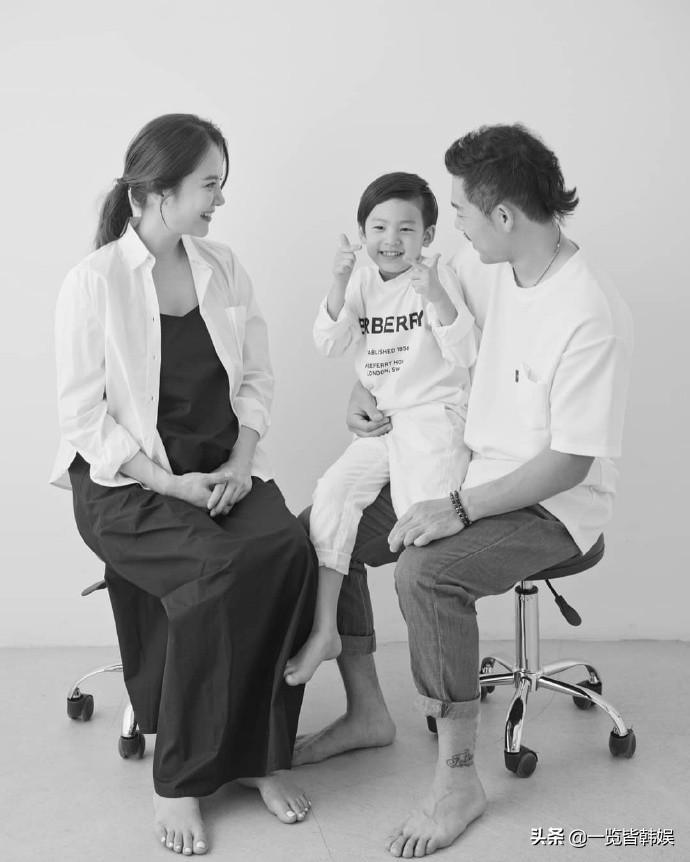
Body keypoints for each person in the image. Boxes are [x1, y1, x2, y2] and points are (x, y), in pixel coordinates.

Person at [293, 124, 633, 858]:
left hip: (549, 505)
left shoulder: (588, 313)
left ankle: (457, 782)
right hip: (460, 468)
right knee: (319, 529)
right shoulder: (482, 266)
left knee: (426, 571)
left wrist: (456, 508)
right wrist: (363, 387)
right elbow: (411, 340)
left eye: (462, 212)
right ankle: (366, 714)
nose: (455, 227)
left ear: (503, 215)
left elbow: (569, 464)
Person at [50, 113, 317, 856]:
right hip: (126, 483)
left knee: (286, 551)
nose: (219, 200)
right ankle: (180, 780)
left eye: (221, 185)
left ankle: (259, 755)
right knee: (215, 570)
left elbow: (257, 378)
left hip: (221, 466)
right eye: (209, 185)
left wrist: (240, 464)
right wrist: (172, 486)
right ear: (159, 191)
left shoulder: (222, 267)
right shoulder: (94, 281)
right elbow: (83, 417)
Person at [284, 172, 477, 686]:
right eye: (378, 228)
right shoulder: (362, 281)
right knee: (331, 495)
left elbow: (465, 353)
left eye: (406, 229)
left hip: (433, 420)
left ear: (428, 235)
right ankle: (325, 628)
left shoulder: (437, 277)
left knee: (423, 535)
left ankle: (439, 672)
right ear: (362, 233)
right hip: (382, 424)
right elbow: (329, 343)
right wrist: (338, 282)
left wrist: (436, 295)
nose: (391, 240)